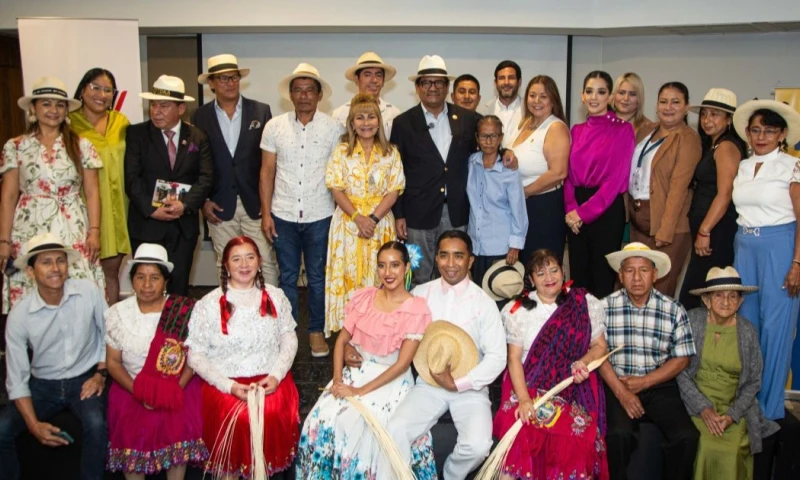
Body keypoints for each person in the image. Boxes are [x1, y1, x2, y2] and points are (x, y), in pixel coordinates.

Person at [297, 241, 436, 479]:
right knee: (321, 419)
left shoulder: (416, 308)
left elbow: (402, 364)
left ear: (406, 268)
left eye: (394, 265)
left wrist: (358, 391)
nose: (387, 272)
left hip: (391, 379)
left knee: (358, 425)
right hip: (356, 373)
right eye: (382, 266)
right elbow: (341, 342)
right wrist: (338, 381)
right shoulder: (365, 298)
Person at [388, 230, 507, 479]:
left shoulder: (484, 303)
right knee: (395, 429)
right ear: (437, 258)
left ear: (470, 260)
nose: (451, 264)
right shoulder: (421, 294)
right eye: (444, 256)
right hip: (428, 384)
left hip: (471, 387)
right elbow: (396, 333)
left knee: (478, 446)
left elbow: (497, 357)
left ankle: (451, 474)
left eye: (458, 256)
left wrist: (459, 383)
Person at [186, 235, 299, 478]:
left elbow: (289, 339)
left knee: (267, 413)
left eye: (250, 257)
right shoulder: (208, 304)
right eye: (236, 259)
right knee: (239, 417)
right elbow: (195, 356)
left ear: (259, 261)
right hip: (226, 386)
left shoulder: (276, 296)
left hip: (269, 381)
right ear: (225, 265)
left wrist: (277, 376)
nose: (244, 265)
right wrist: (229, 386)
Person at [493, 248, 609, 480]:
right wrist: (524, 399)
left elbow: (600, 347)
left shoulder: (583, 303)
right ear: (530, 279)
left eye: (554, 270)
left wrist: (582, 362)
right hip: (529, 385)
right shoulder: (518, 310)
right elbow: (513, 359)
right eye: (541, 273)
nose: (549, 278)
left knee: (577, 436)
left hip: (572, 387)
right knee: (524, 430)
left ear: (563, 272)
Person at [0, 233, 108, 480]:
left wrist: (101, 373)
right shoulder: (20, 316)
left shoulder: (88, 291)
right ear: (30, 272)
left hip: (85, 379)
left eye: (60, 261)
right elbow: (16, 379)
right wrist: (34, 425)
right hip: (42, 385)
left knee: (96, 424)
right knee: (2, 430)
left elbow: (109, 334)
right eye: (46, 262)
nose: (55, 268)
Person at [0, 76, 104, 313]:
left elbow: (92, 192)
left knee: (77, 287)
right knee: (31, 289)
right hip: (28, 227)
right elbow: (7, 197)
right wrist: (4, 241)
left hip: (72, 227)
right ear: (33, 108)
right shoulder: (15, 146)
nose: (53, 110)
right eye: (46, 103)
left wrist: (95, 232)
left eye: (59, 104)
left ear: (66, 110)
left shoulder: (82, 145)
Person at [260, 63, 343, 357]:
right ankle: (289, 333)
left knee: (319, 276)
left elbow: (339, 173)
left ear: (319, 95)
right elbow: (267, 171)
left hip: (321, 214)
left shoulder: (334, 128)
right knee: (287, 277)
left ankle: (316, 331)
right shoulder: (274, 127)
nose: (304, 95)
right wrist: (266, 213)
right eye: (298, 90)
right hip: (282, 213)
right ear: (290, 95)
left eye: (310, 90)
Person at [105, 243, 208, 479]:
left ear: (165, 281)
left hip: (176, 386)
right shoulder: (117, 313)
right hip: (130, 387)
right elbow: (113, 362)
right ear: (132, 280)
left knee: (177, 426)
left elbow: (194, 358)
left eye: (154, 278)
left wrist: (171, 389)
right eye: (140, 277)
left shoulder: (183, 310)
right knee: (131, 433)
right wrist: (140, 392)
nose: (147, 285)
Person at [599, 242, 699, 480]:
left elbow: (682, 358)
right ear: (621, 276)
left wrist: (645, 382)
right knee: (618, 435)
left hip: (659, 384)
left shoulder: (673, 309)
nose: (636, 277)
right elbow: (598, 355)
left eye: (643, 270)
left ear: (655, 275)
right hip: (618, 384)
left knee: (687, 437)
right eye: (630, 271)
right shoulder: (603, 307)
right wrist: (623, 393)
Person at [731, 98, 800, 421]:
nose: (761, 137)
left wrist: (797, 263)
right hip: (745, 245)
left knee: (776, 329)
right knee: (747, 327)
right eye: (755, 130)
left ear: (782, 134)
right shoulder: (744, 166)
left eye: (769, 131)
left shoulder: (792, 165)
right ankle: (747, 403)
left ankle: (769, 409)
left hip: (780, 246)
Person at [676, 266, 779, 480]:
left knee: (731, 451)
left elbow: (753, 382)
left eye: (733, 296)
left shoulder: (747, 331)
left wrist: (732, 415)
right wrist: (703, 409)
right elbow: (680, 371)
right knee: (705, 446)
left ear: (740, 302)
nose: (726, 301)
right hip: (696, 405)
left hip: (735, 409)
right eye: (719, 295)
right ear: (707, 300)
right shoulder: (692, 321)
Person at [391, 55, 484, 286]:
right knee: (418, 273)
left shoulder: (468, 119)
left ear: (446, 87)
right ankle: (420, 322)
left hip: (456, 212)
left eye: (438, 82)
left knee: (455, 273)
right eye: (426, 82)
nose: (433, 88)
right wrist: (399, 213)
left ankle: (451, 322)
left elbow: (487, 148)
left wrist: (506, 153)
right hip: (417, 215)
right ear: (417, 87)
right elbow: (397, 170)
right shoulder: (403, 122)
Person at [193, 54, 279, 287]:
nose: (230, 83)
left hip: (256, 203)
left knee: (265, 261)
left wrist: (268, 204)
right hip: (219, 205)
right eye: (223, 78)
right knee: (226, 262)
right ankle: (231, 316)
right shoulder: (200, 116)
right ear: (211, 83)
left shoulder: (261, 111)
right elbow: (196, 164)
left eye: (234, 78)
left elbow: (270, 163)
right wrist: (203, 201)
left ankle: (271, 313)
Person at [124, 75, 214, 296]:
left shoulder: (197, 136)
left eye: (164, 106)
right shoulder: (136, 134)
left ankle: (175, 330)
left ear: (181, 108)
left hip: (182, 226)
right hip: (147, 225)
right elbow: (131, 179)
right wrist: (152, 209)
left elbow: (206, 178)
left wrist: (185, 206)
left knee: (178, 286)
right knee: (147, 288)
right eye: (153, 105)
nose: (157, 111)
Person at [324, 94, 405, 336]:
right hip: (348, 224)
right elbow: (335, 187)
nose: (366, 122)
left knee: (380, 275)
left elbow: (395, 189)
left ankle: (380, 332)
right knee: (348, 274)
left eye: (371, 117)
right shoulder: (341, 151)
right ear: (352, 123)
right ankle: (348, 335)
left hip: (380, 224)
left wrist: (373, 219)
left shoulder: (390, 152)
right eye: (360, 117)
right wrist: (358, 217)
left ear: (379, 122)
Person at [628, 81, 702, 297]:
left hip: (667, 224)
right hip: (639, 218)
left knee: (660, 288)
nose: (668, 107)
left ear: (686, 107)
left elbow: (679, 187)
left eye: (675, 102)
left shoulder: (688, 139)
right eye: (663, 101)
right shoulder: (647, 130)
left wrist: (666, 229)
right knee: (636, 285)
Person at [565, 71, 635, 298]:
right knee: (578, 278)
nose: (594, 97)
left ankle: (600, 333)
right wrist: (570, 210)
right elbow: (568, 176)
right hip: (576, 210)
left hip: (604, 210)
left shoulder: (622, 130)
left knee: (602, 279)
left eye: (601, 91)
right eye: (589, 91)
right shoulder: (576, 130)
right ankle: (580, 330)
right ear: (582, 96)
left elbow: (615, 181)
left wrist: (582, 214)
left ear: (610, 96)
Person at [678, 89, 748, 310]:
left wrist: (704, 230)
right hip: (709, 230)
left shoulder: (727, 146)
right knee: (699, 294)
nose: (708, 120)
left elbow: (725, 194)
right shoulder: (714, 145)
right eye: (705, 114)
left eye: (715, 114)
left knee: (697, 294)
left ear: (729, 119)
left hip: (715, 231)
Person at [70, 68, 131, 304]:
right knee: (82, 275)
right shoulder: (68, 123)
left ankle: (111, 331)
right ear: (83, 90)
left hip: (118, 207)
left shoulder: (120, 122)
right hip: (83, 208)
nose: (102, 94)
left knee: (111, 273)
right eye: (95, 87)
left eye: (108, 90)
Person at [503, 75, 570, 264]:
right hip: (521, 207)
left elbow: (558, 173)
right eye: (532, 95)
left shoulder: (555, 127)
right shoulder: (524, 123)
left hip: (543, 207)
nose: (536, 101)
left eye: (543, 96)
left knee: (541, 267)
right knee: (521, 268)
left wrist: (522, 193)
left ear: (553, 100)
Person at [467, 115, 527, 285]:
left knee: (500, 293)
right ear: (477, 138)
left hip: (501, 246)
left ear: (500, 137)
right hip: (475, 245)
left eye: (493, 136)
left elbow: (518, 210)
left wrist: (515, 245)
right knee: (478, 293)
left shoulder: (509, 170)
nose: (488, 141)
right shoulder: (472, 162)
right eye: (484, 136)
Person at [332, 52, 401, 137]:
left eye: (378, 75)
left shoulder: (394, 114)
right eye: (367, 75)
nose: (374, 80)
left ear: (383, 81)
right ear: (357, 79)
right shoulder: (340, 114)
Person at [610, 72, 655, 139]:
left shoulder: (648, 128)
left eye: (632, 94)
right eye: (621, 93)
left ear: (639, 98)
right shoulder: (602, 120)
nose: (626, 98)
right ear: (614, 95)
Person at [482, 60, 523, 130]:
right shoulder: (483, 111)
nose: (506, 82)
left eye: (511, 78)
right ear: (495, 83)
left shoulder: (530, 110)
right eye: (501, 78)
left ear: (519, 82)